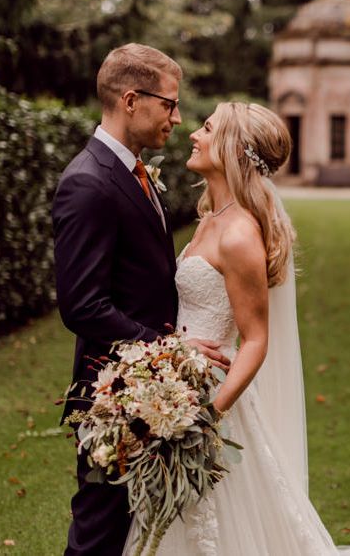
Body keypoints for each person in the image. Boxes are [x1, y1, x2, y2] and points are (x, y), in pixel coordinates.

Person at [124, 101, 350, 555]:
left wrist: (207, 417)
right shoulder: (211, 218)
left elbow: (256, 339)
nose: (194, 135)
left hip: (212, 398)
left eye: (207, 128)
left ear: (231, 149)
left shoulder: (240, 233)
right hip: (180, 381)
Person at [52, 43, 230, 556]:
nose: (177, 117)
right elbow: (81, 305)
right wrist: (173, 349)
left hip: (151, 387)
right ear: (132, 100)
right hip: (114, 391)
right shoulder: (87, 183)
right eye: (169, 104)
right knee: (99, 530)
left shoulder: (136, 172)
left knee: (136, 530)